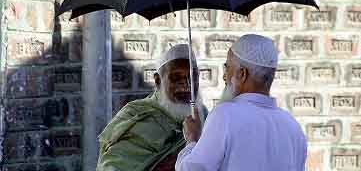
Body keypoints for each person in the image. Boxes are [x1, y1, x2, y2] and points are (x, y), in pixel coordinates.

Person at [176, 34, 308, 171]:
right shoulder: (292, 126)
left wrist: (192, 140)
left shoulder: (225, 115)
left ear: (242, 73)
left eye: (227, 68)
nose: (224, 76)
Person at [96, 44, 206, 171]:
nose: (187, 84)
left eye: (193, 77)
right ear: (158, 80)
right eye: (176, 78)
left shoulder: (204, 116)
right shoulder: (137, 115)